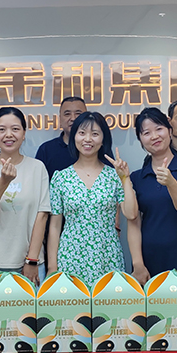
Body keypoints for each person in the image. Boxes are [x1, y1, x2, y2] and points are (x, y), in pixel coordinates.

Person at [47, 111, 138, 286]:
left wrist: (125, 178)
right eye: (82, 133)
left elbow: (131, 214)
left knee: (108, 303)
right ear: (74, 137)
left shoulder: (114, 176)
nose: (88, 139)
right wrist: (52, 267)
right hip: (71, 257)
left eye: (95, 134)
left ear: (103, 139)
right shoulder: (60, 178)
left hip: (107, 256)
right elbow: (55, 226)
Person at [0, 107, 51, 286]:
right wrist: (4, 181)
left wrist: (32, 260)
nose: (8, 135)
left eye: (15, 129)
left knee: (30, 306)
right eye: (1, 129)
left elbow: (42, 215)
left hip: (29, 263)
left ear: (24, 133)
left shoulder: (37, 168)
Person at [127, 107, 177, 283]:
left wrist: (171, 183)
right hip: (149, 259)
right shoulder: (137, 177)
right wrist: (138, 264)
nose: (154, 136)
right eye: (146, 133)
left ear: (170, 131)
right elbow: (133, 222)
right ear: (140, 140)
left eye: (159, 129)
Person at [36, 96, 87, 181]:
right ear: (60, 119)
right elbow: (38, 183)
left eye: (78, 113)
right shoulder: (46, 150)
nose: (73, 118)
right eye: (67, 114)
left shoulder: (97, 148)